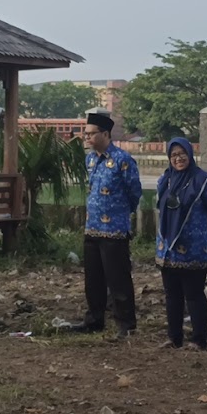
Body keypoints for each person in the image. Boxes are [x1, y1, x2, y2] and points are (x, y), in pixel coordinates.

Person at [66, 110, 143, 337]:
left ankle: (126, 324)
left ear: (106, 134)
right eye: (85, 134)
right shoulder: (90, 160)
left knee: (118, 279)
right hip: (92, 227)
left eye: (91, 134)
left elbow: (134, 192)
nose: (87, 138)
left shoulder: (122, 160)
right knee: (93, 279)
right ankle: (94, 320)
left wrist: (120, 213)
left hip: (114, 230)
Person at [155, 137, 207, 349]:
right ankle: (174, 337)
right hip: (168, 249)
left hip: (193, 249)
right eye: (173, 155)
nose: (178, 158)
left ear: (190, 154)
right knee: (172, 295)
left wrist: (197, 227)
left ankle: (199, 339)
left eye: (182, 153)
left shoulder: (203, 181)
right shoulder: (165, 180)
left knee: (194, 295)